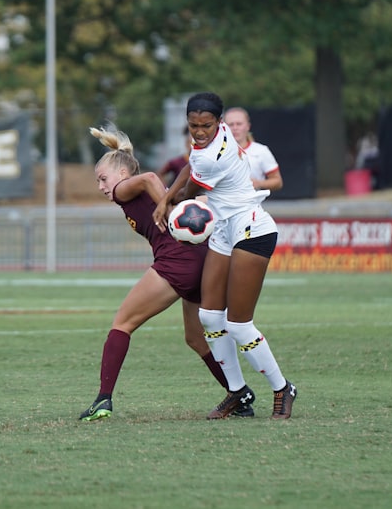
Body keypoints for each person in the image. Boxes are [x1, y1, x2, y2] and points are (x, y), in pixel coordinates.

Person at [79, 124, 240, 421]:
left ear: (121, 174)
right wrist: (168, 203)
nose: (102, 186)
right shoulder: (131, 192)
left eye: (103, 178)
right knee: (195, 337)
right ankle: (238, 394)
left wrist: (165, 206)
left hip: (176, 260)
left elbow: (151, 178)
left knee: (122, 323)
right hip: (197, 257)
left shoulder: (122, 189)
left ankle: (103, 400)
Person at [153, 92, 297, 420]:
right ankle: (237, 392)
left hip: (251, 228)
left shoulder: (214, 153)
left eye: (206, 125)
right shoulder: (212, 140)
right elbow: (191, 164)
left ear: (219, 123)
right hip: (222, 230)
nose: (199, 131)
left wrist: (167, 202)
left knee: (238, 323)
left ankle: (282, 387)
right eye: (193, 126)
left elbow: (192, 187)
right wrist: (167, 197)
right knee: (209, 317)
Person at [223, 107, 283, 193]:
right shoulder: (214, 152)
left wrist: (259, 183)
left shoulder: (260, 151)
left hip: (251, 205)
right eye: (231, 124)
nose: (235, 128)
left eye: (239, 124)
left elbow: (277, 182)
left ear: (248, 126)